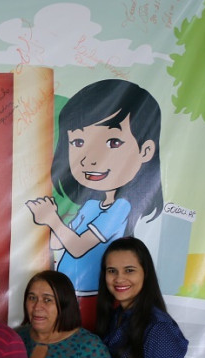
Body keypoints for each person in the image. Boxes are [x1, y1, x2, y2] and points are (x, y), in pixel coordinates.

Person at [26, 79, 164, 329]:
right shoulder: (89, 206)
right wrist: (50, 221)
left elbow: (77, 247)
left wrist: (53, 220)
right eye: (78, 143)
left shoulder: (120, 208)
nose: (91, 159)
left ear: (145, 150)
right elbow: (58, 243)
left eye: (113, 142)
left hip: (94, 297)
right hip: (67, 297)